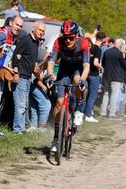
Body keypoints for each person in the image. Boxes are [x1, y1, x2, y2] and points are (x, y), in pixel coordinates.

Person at [46, 20, 90, 152]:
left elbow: (86, 65)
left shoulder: (84, 43)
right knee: (59, 103)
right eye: (66, 38)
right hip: (64, 71)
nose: (68, 41)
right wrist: (49, 75)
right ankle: (56, 138)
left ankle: (78, 108)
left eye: (71, 38)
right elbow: (51, 62)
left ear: (76, 36)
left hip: (77, 70)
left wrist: (82, 79)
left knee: (78, 83)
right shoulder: (58, 42)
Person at [0, 15, 23, 137]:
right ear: (11, 23)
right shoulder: (4, 33)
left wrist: (6, 66)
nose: (18, 28)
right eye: (16, 24)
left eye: (20, 26)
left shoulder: (11, 36)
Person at [11, 21, 45, 134]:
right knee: (20, 105)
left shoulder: (36, 43)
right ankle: (17, 130)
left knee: (25, 106)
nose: (42, 33)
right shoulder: (26, 40)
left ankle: (22, 128)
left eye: (43, 31)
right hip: (20, 76)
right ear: (34, 28)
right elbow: (16, 55)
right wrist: (15, 72)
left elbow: (33, 63)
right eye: (40, 30)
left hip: (27, 78)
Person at [77, 32, 105, 123]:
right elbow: (95, 63)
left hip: (85, 73)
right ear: (103, 39)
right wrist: (101, 67)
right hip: (94, 75)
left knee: (83, 95)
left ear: (96, 37)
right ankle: (88, 115)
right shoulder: (98, 49)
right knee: (92, 96)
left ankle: (80, 112)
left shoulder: (89, 47)